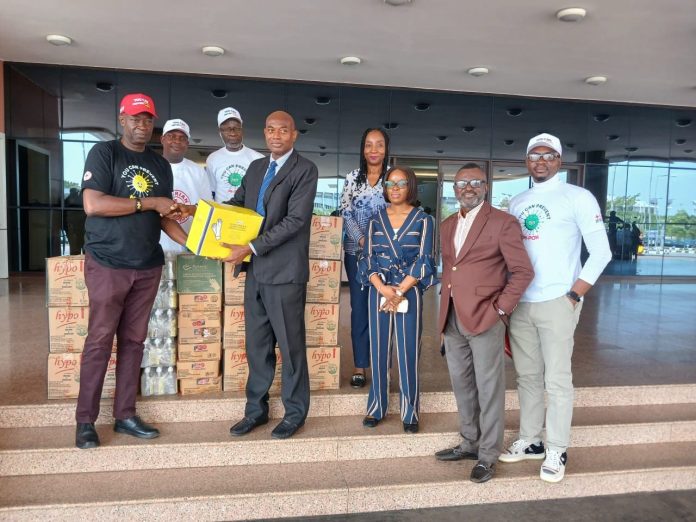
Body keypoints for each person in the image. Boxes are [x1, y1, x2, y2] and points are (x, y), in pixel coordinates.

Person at [75, 93, 188, 449]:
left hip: (147, 266)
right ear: (122, 119)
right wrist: (149, 201)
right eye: (136, 118)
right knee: (99, 341)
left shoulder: (160, 165)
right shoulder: (104, 153)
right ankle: (85, 421)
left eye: (148, 119)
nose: (142, 124)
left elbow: (163, 217)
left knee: (134, 342)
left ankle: (124, 414)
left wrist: (195, 245)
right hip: (109, 264)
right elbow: (93, 205)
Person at [502, 133, 612, 482]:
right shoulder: (518, 201)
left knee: (558, 379)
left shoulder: (577, 197)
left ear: (559, 161)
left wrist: (575, 294)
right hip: (523, 302)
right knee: (528, 377)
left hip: (558, 301)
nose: (541, 160)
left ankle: (556, 448)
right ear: (527, 161)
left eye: (549, 155)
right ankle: (531, 440)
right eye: (535, 155)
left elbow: (602, 252)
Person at [434, 163, 534, 483]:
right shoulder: (448, 224)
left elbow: (522, 272)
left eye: (476, 182)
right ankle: (469, 442)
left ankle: (488, 455)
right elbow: (452, 270)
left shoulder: (503, 223)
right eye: (462, 183)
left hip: (485, 317)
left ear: (486, 187)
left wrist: (500, 310)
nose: (468, 187)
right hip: (451, 317)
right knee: (463, 386)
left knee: (489, 389)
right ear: (454, 188)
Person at [222, 111, 318, 440]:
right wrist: (200, 213)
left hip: (285, 273)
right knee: (257, 346)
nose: (276, 135)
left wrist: (249, 246)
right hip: (256, 272)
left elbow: (295, 221)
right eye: (271, 130)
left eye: (284, 130)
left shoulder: (304, 170)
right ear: (264, 133)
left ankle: (294, 413)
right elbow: (236, 206)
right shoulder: (256, 168)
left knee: (290, 347)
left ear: (294, 135)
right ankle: (256, 410)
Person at [358, 166, 437, 434]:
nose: (395, 188)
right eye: (390, 183)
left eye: (401, 183)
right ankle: (377, 406)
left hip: (408, 292)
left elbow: (424, 260)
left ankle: (410, 411)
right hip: (378, 291)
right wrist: (382, 288)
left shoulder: (424, 220)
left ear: (410, 187)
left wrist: (399, 291)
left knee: (407, 353)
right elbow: (366, 258)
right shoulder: (373, 220)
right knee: (379, 351)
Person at [338, 128, 390, 388]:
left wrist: (379, 243)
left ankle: (382, 366)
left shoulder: (394, 178)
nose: (373, 150)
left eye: (379, 145)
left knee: (384, 309)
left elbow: (398, 212)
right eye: (369, 144)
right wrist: (361, 240)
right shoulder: (352, 179)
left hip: (386, 255)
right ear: (362, 148)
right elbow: (345, 212)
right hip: (355, 253)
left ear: (386, 149)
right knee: (358, 310)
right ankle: (360, 365)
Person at [159, 118, 213, 253]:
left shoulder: (198, 171)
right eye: (171, 136)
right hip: (157, 245)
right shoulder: (151, 166)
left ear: (187, 143)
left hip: (190, 245)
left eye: (182, 138)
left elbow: (207, 208)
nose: (177, 141)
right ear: (162, 139)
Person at [206, 107, 264, 203]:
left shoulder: (258, 159)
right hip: (221, 214)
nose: (232, 133)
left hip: (248, 214)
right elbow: (211, 191)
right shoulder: (212, 159)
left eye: (236, 128)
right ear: (220, 132)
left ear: (242, 130)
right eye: (227, 129)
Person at [64, 187, 86, 255]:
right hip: (77, 229)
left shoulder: (66, 201)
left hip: (76, 229)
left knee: (76, 250)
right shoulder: (82, 201)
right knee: (80, 249)